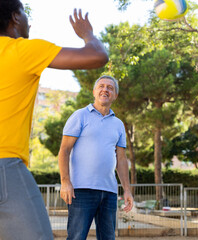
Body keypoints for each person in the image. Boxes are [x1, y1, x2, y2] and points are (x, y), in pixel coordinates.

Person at [0, 0, 108, 239]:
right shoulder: (19, 50)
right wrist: (87, 34)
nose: (28, 19)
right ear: (15, 18)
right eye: (24, 12)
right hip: (4, 166)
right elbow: (97, 56)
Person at [58, 75, 134, 240]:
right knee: (76, 237)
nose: (105, 90)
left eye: (110, 88)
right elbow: (64, 151)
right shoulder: (79, 116)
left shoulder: (118, 124)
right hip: (81, 191)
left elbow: (121, 159)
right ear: (94, 91)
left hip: (109, 192)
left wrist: (127, 189)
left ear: (115, 95)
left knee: (108, 238)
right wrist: (65, 182)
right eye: (101, 86)